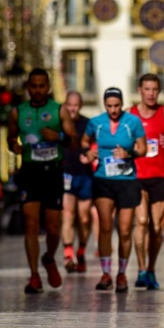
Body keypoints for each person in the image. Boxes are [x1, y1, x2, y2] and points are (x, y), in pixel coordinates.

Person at [7, 68, 77, 294]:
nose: (37, 90)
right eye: (33, 86)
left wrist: (57, 137)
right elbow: (11, 137)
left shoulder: (60, 110)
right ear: (28, 87)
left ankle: (49, 258)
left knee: (54, 228)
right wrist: (13, 146)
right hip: (29, 172)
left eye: (41, 86)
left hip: (53, 172)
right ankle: (34, 275)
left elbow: (73, 142)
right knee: (30, 223)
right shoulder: (18, 112)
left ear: (48, 87)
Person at [81, 87, 146, 292]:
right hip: (103, 179)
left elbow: (143, 149)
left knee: (125, 230)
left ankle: (122, 274)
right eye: (109, 106)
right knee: (105, 227)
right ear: (104, 105)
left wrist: (129, 153)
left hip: (127, 180)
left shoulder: (133, 122)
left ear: (122, 103)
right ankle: (106, 273)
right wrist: (88, 152)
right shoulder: (96, 122)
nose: (113, 110)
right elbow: (84, 141)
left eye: (117, 105)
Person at [129, 73, 164, 290]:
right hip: (136, 176)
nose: (151, 94)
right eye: (147, 89)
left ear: (159, 91)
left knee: (156, 226)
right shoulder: (129, 115)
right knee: (141, 221)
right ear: (140, 90)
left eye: (154, 90)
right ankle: (141, 269)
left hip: (160, 176)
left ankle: (151, 269)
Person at [61, 91, 94, 273]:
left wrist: (91, 156)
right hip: (66, 173)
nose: (72, 108)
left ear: (80, 106)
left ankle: (80, 251)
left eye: (76, 105)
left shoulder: (88, 124)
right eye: (70, 104)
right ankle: (68, 254)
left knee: (84, 217)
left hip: (85, 174)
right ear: (65, 105)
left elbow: (95, 147)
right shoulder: (59, 124)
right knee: (68, 214)